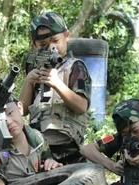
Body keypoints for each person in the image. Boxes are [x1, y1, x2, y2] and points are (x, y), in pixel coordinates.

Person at [19, 12, 91, 164]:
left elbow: (82, 106)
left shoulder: (75, 67)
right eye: (43, 45)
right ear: (34, 45)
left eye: (55, 40)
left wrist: (57, 83)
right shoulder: (34, 66)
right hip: (38, 146)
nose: (51, 48)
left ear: (66, 36)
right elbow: (22, 110)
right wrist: (28, 82)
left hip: (67, 148)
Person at [0, 89, 62, 185]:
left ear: (19, 107)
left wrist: (51, 164)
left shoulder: (36, 138)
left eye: (10, 113)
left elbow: (46, 160)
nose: (7, 121)